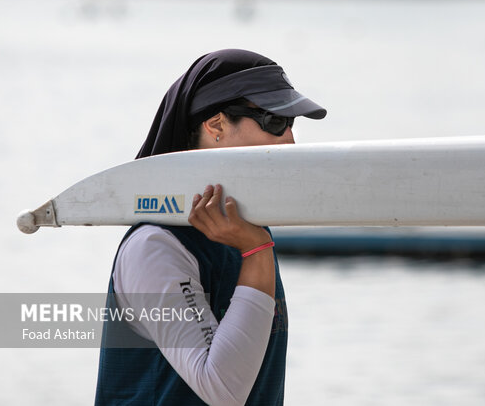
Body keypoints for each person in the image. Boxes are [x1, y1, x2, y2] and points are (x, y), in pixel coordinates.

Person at [94, 49, 327, 406]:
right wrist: (257, 252)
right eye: (274, 122)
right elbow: (222, 389)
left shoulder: (246, 229)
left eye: (292, 123)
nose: (290, 141)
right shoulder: (156, 245)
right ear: (215, 125)